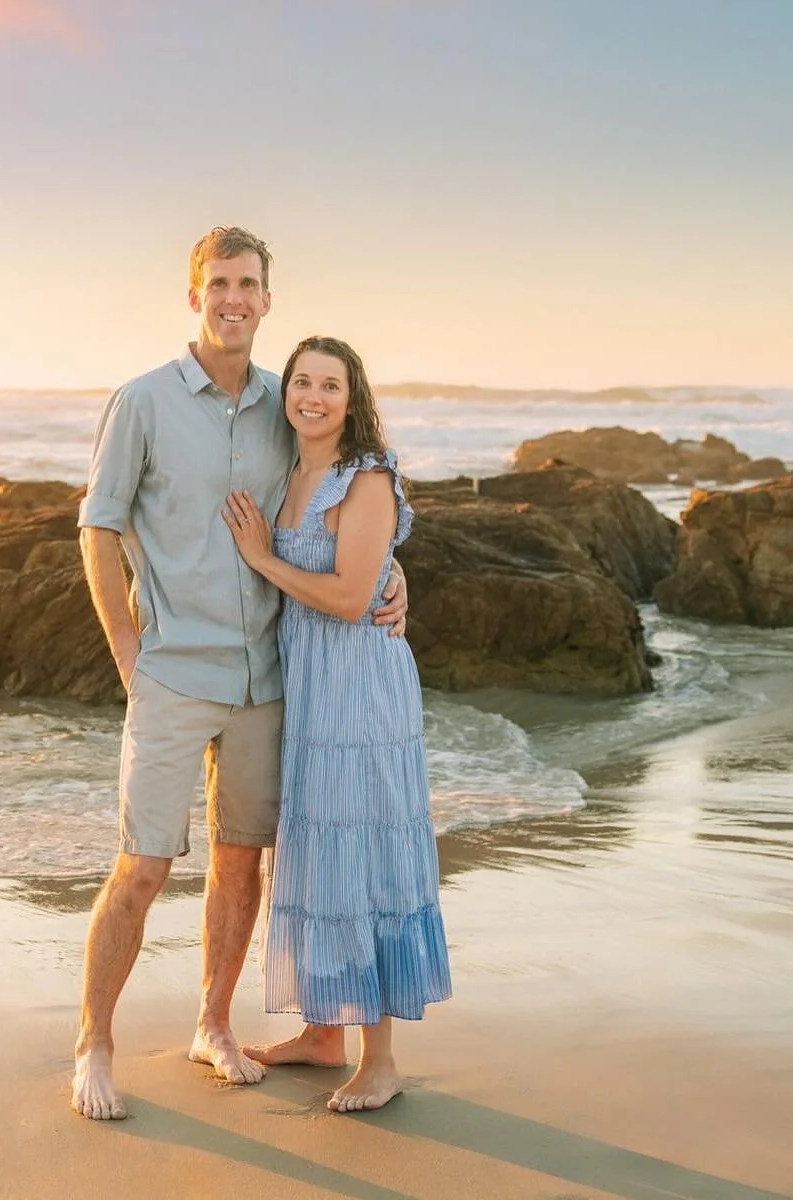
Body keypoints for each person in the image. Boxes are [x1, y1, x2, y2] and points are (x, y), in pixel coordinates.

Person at [72, 228, 408, 1121]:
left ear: (266, 299)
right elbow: (98, 528)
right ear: (196, 296)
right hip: (175, 675)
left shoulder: (284, 404)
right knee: (143, 866)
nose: (233, 298)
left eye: (248, 284)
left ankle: (213, 1025)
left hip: (270, 678)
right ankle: (93, 1046)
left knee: (240, 861)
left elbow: (339, 501)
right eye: (219, 283)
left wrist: (390, 575)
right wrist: (127, 654)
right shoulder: (142, 401)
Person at [222, 336, 451, 1113]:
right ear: (284, 391)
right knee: (319, 849)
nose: (312, 397)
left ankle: (379, 1060)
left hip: (361, 691)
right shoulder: (289, 471)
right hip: (311, 687)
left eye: (330, 385)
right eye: (301, 382)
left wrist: (263, 559)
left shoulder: (367, 475)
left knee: (364, 852)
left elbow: (354, 599)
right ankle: (324, 1034)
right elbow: (365, 571)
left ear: (353, 402)